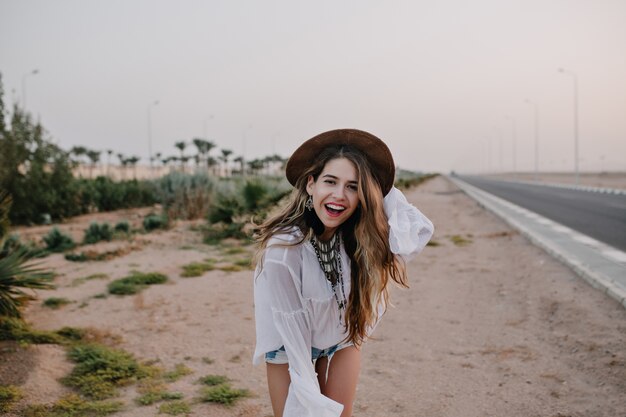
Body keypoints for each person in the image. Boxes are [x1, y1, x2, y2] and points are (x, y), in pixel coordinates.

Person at [253, 129, 434, 417]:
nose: (340, 195)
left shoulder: (355, 236)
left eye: (353, 186)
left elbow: (418, 230)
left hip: (340, 339)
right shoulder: (284, 249)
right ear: (310, 184)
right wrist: (312, 402)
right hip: (290, 348)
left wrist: (379, 192)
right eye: (330, 181)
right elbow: (293, 330)